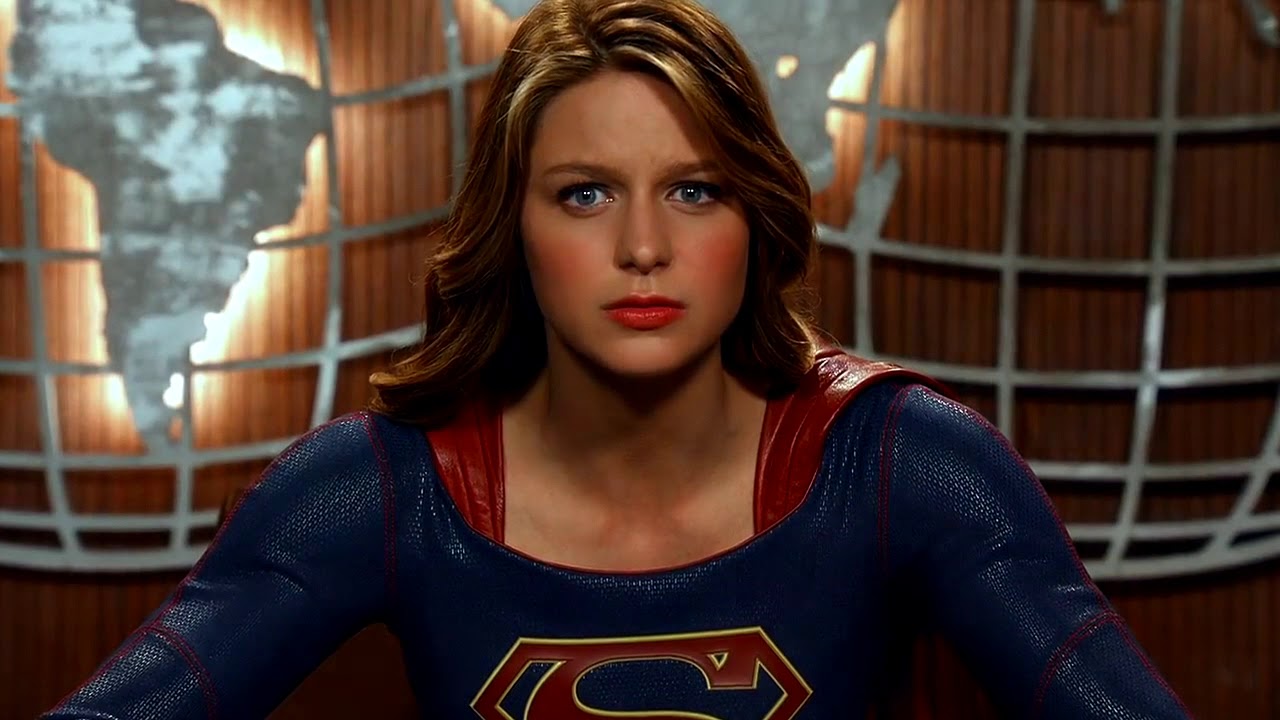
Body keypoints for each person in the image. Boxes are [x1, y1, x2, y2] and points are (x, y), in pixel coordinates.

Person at [44, 0, 1194, 718]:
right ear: (512, 225)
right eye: (584, 194)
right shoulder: (382, 491)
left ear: (755, 218)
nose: (643, 247)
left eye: (693, 191)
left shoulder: (901, 464)